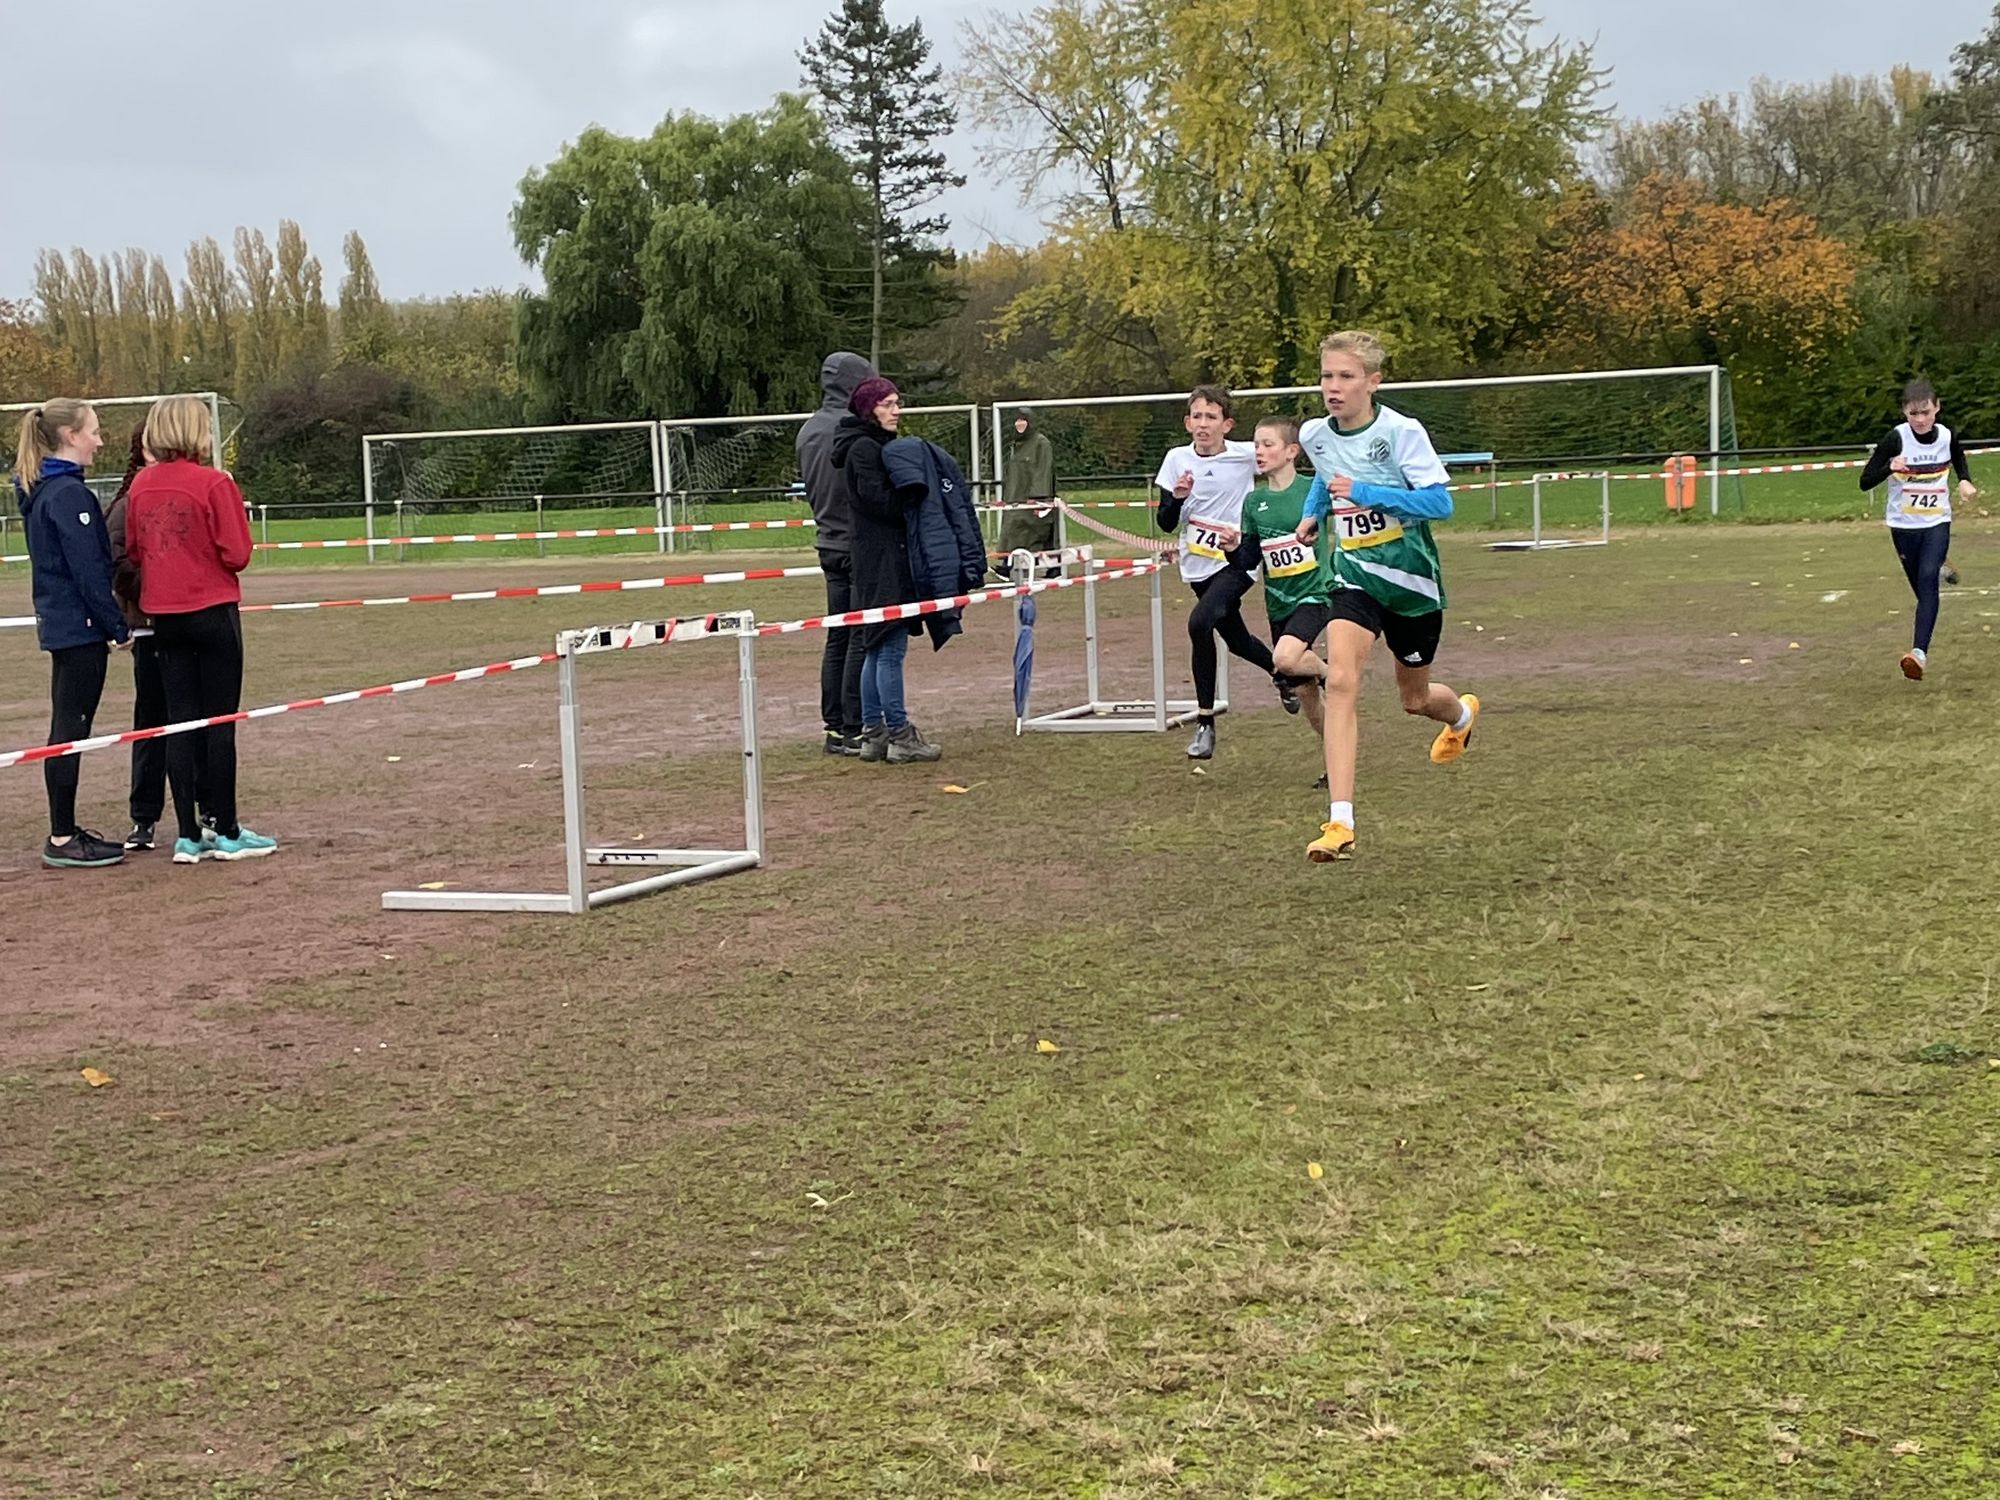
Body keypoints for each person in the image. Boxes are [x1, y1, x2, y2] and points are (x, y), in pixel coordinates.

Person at [1295, 332, 1479, 863]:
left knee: (1414, 700)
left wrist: (1366, 493)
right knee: (1341, 682)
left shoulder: (1402, 432)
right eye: (1327, 376)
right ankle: (1340, 823)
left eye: (1346, 376)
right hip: (1353, 577)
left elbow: (1440, 504)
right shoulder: (1314, 434)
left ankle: (1460, 716)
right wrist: (1313, 513)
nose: (1333, 387)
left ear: (1372, 382)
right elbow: (1327, 477)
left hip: (1412, 586)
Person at [126, 396, 275, 863]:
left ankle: (188, 834)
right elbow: (238, 554)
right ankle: (225, 828)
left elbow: (134, 550)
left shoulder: (141, 485)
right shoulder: (215, 483)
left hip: (165, 618)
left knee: (180, 722)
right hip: (212, 612)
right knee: (219, 723)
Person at [14, 398, 132, 868]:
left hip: (64, 624)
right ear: (70, 436)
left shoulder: (46, 490)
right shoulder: (67, 495)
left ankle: (63, 831)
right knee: (69, 729)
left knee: (68, 724)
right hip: (77, 628)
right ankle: (62, 836)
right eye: (94, 432)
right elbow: (88, 571)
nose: (99, 442)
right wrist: (116, 626)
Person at [1154, 385, 1298, 761]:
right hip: (1197, 565)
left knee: (1200, 623)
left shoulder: (1245, 455)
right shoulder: (1176, 459)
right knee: (1236, 640)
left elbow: (1282, 464)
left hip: (1237, 560)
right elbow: (1165, 522)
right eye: (1197, 417)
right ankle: (1284, 673)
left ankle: (1205, 724)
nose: (1203, 424)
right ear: (1188, 422)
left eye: (1211, 417)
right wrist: (1178, 498)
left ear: (1227, 424)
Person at [832, 376, 944, 764]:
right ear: (870, 409)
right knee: (889, 648)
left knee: (877, 647)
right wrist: (913, 493)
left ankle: (874, 734)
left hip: (877, 559)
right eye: (888, 404)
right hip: (882, 562)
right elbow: (880, 503)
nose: (897, 411)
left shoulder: (865, 445)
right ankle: (898, 734)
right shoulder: (864, 449)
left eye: (898, 403)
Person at [1858, 377, 1978, 681]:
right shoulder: (1895, 439)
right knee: (1922, 589)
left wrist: (1965, 480)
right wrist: (1889, 467)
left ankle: (1918, 654)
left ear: (1937, 408)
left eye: (1926, 412)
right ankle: (1940, 567)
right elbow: (1865, 481)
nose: (1920, 419)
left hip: (1937, 521)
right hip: (1902, 526)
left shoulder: (1946, 435)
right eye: (1914, 413)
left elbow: (1958, 456)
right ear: (1904, 412)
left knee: (1927, 583)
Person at [1240, 415, 1332, 759]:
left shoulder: (1313, 490)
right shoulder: (1254, 502)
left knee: (1284, 658)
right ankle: (1335, 759)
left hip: (1316, 593)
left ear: (1292, 451)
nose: (1259, 452)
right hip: (1278, 601)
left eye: (1268, 444)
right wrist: (1233, 547)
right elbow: (1249, 559)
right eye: (1256, 445)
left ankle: (1329, 672)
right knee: (1306, 694)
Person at [798, 351, 874, 755]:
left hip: (826, 540)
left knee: (838, 636)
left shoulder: (808, 430)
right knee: (861, 635)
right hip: (857, 543)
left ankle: (834, 726)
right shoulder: (854, 430)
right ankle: (854, 726)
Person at [105, 425, 172, 852]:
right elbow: (116, 561)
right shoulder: (127, 502)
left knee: (199, 719)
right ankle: (144, 816)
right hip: (150, 626)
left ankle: (207, 812)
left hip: (188, 623)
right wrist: (156, 591)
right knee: (152, 721)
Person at [997, 409, 1057, 576]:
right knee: (1014, 531)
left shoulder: (1041, 443)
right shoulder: (1016, 445)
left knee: (1035, 533)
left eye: (1023, 420)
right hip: (1015, 498)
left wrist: (1039, 496)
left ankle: (1053, 566)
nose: (1019, 424)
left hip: (1032, 499)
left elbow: (1043, 470)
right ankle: (1008, 564)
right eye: (1017, 421)